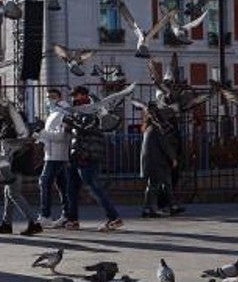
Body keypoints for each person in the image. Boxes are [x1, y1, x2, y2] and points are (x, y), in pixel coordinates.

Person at [64, 86, 125, 231]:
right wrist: (69, 125)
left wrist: (73, 124)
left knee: (93, 187)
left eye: (76, 96)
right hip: (76, 154)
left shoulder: (94, 110)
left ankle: (114, 218)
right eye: (73, 96)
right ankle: (73, 220)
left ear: (84, 96)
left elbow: (89, 128)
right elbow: (76, 131)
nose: (74, 99)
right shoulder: (78, 111)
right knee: (71, 188)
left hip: (88, 154)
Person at [0, 98, 42, 237]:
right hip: (17, 162)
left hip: (14, 164)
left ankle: (34, 223)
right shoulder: (15, 122)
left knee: (14, 194)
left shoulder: (9, 125)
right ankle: (6, 224)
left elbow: (7, 149)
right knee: (9, 194)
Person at [35, 89, 70, 226]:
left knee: (44, 182)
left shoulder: (63, 112)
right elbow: (51, 134)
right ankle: (66, 215)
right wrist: (39, 136)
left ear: (60, 97)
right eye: (48, 97)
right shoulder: (54, 113)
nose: (49, 100)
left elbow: (62, 136)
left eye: (52, 97)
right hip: (52, 153)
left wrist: (43, 133)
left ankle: (45, 215)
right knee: (62, 185)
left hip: (56, 155)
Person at [139, 108, 178, 218]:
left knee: (152, 185)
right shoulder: (157, 129)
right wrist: (173, 158)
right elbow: (164, 145)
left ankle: (148, 209)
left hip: (149, 162)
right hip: (156, 162)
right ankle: (151, 209)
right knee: (154, 186)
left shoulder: (148, 129)